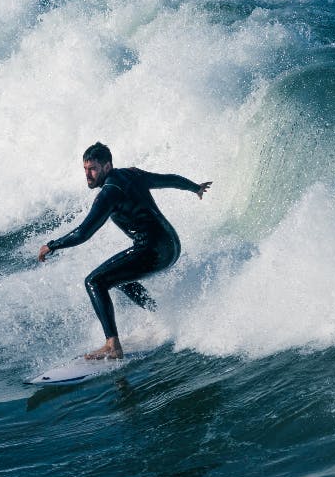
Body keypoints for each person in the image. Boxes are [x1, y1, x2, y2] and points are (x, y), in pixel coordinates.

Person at [37, 142, 210, 360]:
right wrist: (195, 188)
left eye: (92, 169)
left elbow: (83, 233)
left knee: (95, 281)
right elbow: (169, 180)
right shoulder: (131, 174)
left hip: (153, 250)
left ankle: (112, 345)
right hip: (171, 245)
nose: (88, 175)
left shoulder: (109, 193)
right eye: (85, 169)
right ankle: (161, 315)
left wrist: (52, 245)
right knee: (117, 277)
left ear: (107, 166)